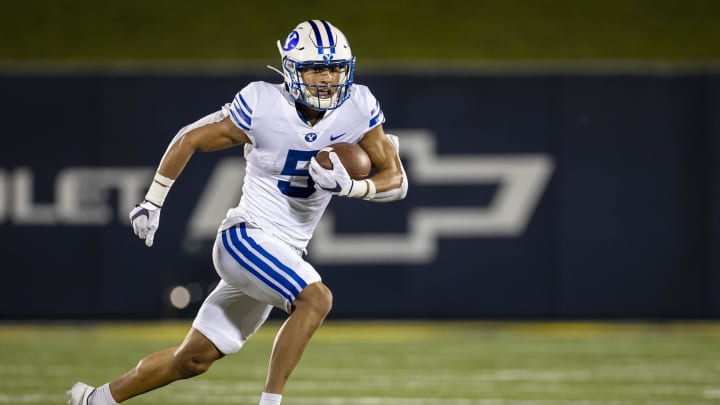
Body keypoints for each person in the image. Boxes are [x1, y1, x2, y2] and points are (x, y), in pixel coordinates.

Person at [67, 19, 408, 405]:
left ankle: (94, 399)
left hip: (283, 254)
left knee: (192, 359)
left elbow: (396, 180)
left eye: (335, 68)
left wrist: (353, 187)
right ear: (292, 69)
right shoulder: (263, 104)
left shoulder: (358, 106)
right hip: (245, 238)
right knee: (317, 298)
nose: (328, 78)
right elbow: (189, 138)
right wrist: (152, 201)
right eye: (316, 68)